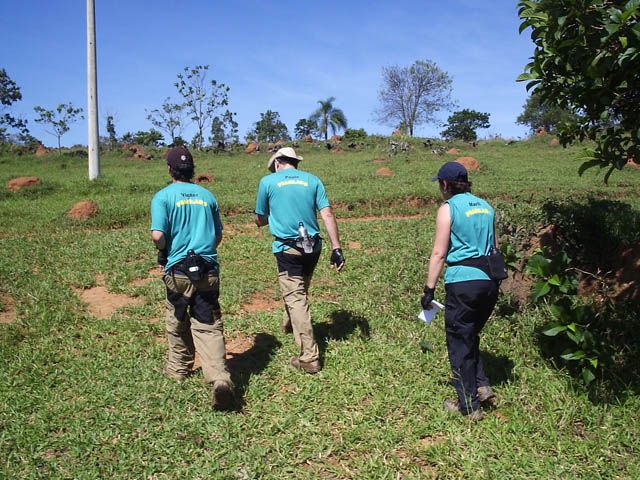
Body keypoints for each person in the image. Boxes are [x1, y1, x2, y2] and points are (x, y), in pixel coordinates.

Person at [150, 146, 234, 411]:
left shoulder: (162, 197)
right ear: (192, 170)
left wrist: (164, 250)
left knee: (177, 318)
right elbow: (218, 235)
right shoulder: (207, 196)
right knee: (208, 324)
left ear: (169, 169)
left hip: (177, 271)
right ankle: (219, 378)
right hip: (207, 269)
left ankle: (178, 370)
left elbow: (157, 236)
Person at [254, 147, 345, 374]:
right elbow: (327, 214)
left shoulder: (268, 182)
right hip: (313, 247)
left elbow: (259, 218)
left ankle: (309, 357)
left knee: (296, 298)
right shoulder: (313, 180)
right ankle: (288, 323)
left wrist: (271, 216)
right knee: (299, 290)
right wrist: (337, 248)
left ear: (277, 163)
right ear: (295, 162)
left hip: (287, 249)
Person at [421, 162, 499, 420]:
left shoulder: (448, 209)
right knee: (470, 333)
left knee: (458, 341)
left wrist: (429, 289)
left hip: (463, 282)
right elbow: (495, 247)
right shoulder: (486, 207)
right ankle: (482, 385)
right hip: (490, 281)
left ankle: (468, 405)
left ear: (445, 185)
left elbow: (439, 252)